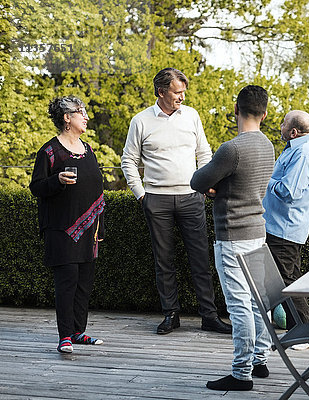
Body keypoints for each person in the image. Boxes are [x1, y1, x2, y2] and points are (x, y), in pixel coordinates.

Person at [121, 68, 231, 335]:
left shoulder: (192, 115)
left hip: (191, 197)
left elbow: (204, 152)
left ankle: (209, 316)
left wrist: (205, 184)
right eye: (177, 92)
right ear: (161, 91)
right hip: (156, 199)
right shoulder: (141, 121)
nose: (182, 96)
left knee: (200, 260)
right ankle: (171, 315)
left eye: (183, 92)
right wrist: (141, 194)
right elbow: (128, 160)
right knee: (164, 261)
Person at [190, 85, 275, 391]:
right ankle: (259, 360)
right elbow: (247, 185)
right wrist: (221, 188)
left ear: (236, 110)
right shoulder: (268, 146)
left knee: (239, 305)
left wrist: (215, 188)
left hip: (233, 235)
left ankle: (241, 373)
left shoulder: (232, 149)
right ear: (264, 114)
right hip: (257, 231)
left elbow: (197, 180)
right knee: (257, 301)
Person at [30, 96, 105, 353]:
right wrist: (57, 180)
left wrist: (100, 227)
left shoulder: (89, 149)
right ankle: (64, 336)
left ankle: (77, 332)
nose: (85, 116)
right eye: (80, 112)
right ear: (66, 118)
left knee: (84, 281)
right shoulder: (49, 152)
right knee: (67, 282)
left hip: (88, 230)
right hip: (61, 229)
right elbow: (36, 187)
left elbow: (98, 191)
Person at [262, 110, 309, 334]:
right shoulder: (295, 149)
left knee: (287, 283)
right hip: (279, 226)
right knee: (286, 281)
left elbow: (289, 192)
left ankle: (308, 331)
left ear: (293, 131)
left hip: (285, 229)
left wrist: (265, 179)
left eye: (283, 124)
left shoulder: (304, 153)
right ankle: (298, 329)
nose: (280, 126)